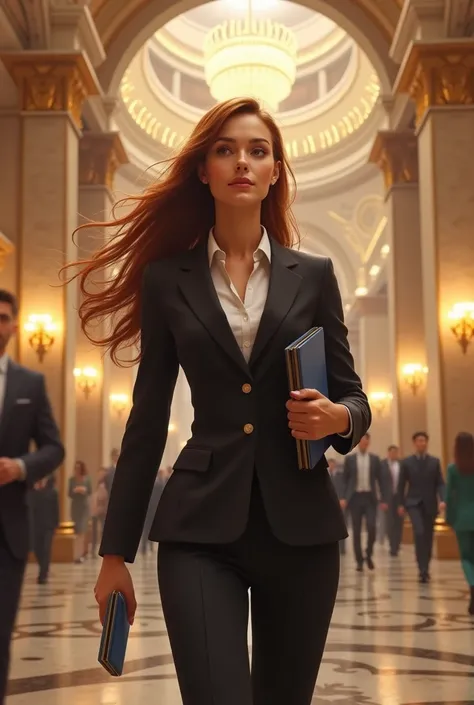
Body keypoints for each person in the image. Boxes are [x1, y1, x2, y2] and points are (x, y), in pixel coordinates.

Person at [67, 97, 371, 705]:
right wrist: (114, 553)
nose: (242, 162)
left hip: (302, 530)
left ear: (275, 170)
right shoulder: (166, 279)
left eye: (258, 151)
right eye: (225, 150)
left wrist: (338, 417)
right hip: (199, 529)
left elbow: (355, 398)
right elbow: (148, 419)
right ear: (203, 169)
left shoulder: (313, 275)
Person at [0, 289, 64, 705]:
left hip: (7, 533)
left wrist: (20, 467)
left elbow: (54, 447)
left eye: (4, 317)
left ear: (15, 325)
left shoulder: (30, 383)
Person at [397, 431, 445, 583]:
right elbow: (401, 484)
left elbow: (440, 483)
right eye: (418, 441)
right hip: (413, 503)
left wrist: (443, 499)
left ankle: (426, 568)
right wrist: (400, 503)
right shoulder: (407, 462)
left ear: (427, 443)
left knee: (428, 536)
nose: (421, 443)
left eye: (424, 441)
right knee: (419, 531)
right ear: (414, 443)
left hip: (430, 503)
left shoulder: (434, 462)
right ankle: (420, 567)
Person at [341, 433, 389, 572]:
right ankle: (359, 561)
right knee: (356, 531)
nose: (364, 443)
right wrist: (343, 497)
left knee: (372, 526)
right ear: (357, 442)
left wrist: (384, 499)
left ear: (369, 442)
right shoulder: (350, 459)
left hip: (370, 498)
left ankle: (368, 554)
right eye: (361, 441)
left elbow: (381, 480)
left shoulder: (374, 459)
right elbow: (345, 480)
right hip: (355, 498)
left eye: (366, 441)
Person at [445, 432, 474, 613]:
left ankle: (472, 585)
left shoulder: (453, 469)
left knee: (466, 557)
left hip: (462, 520)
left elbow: (450, 496)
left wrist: (449, 518)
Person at [30, 473, 59, 584]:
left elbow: (56, 509)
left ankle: (43, 575)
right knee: (37, 549)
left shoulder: (52, 491)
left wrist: (56, 524)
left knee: (46, 549)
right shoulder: (33, 490)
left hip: (49, 525)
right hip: (36, 524)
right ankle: (44, 567)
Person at [381, 444, 403, 556]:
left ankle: (397, 546)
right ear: (388, 453)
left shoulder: (401, 465)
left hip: (399, 499)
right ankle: (392, 546)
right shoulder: (382, 465)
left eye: (396, 452)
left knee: (399, 523)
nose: (394, 454)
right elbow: (379, 484)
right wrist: (382, 500)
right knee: (390, 523)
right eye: (392, 452)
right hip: (387, 499)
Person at [68, 460, 92, 563]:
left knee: (83, 529)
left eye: (79, 468)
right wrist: (75, 490)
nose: (77, 470)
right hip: (75, 506)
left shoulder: (87, 479)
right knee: (77, 530)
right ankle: (77, 554)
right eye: (76, 468)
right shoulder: (71, 480)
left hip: (84, 506)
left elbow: (90, 491)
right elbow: (69, 493)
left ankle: (82, 554)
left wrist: (84, 490)